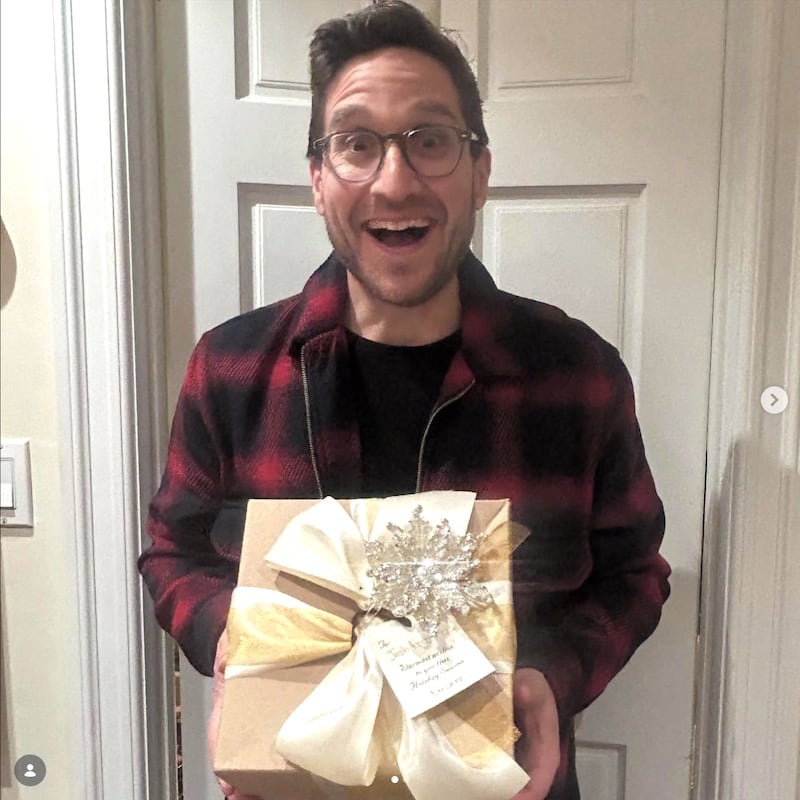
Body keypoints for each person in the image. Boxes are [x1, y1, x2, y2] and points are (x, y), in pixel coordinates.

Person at [138, 2, 670, 798]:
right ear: (318, 180)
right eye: (356, 143)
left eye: (430, 140)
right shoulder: (230, 370)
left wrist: (552, 679)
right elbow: (171, 552)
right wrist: (233, 647)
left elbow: (635, 572)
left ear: (480, 171)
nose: (394, 181)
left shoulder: (578, 375)